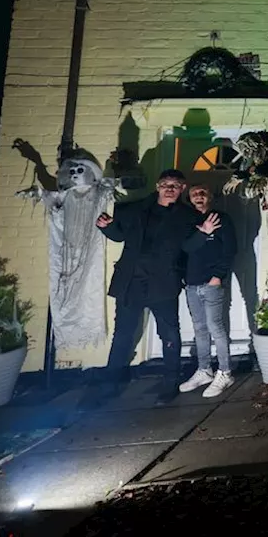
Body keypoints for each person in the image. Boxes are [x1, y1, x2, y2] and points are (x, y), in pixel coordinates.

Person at [92, 169, 213, 405]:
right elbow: (119, 235)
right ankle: (109, 383)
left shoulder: (189, 217)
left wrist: (203, 234)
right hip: (131, 283)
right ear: (158, 186)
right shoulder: (133, 209)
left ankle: (170, 382)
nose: (170, 188)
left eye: (176, 186)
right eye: (166, 184)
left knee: (169, 333)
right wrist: (106, 227)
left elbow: (189, 247)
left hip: (164, 283)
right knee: (123, 334)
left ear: (182, 190)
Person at [179, 183, 237, 397]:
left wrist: (217, 276)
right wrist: (203, 233)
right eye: (194, 194)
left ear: (211, 197)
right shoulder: (187, 220)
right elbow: (186, 247)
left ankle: (225, 372)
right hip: (192, 284)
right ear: (190, 198)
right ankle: (204, 370)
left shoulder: (222, 219)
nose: (199, 196)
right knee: (199, 328)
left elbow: (230, 250)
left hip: (212, 283)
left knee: (216, 327)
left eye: (203, 192)